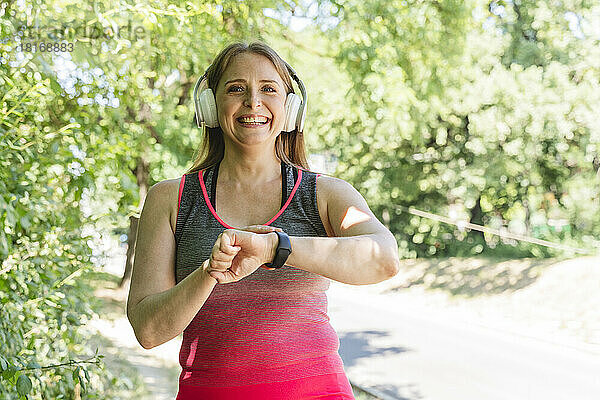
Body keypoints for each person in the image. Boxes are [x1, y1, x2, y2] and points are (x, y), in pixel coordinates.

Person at [126, 41, 401, 399]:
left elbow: (383, 259)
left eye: (268, 89)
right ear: (209, 106)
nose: (253, 101)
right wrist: (210, 271)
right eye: (236, 88)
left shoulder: (325, 194)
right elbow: (148, 331)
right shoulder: (170, 199)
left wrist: (275, 247)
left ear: (291, 109)